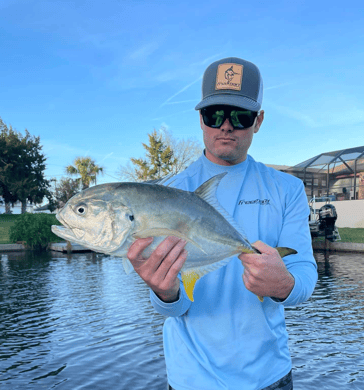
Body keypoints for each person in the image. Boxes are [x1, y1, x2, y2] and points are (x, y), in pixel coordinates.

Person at [127, 57, 318, 390]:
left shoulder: (288, 188)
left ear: (258, 121)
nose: (225, 126)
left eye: (240, 115)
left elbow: (304, 274)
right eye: (214, 115)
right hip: (191, 380)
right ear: (200, 120)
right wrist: (164, 290)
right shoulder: (167, 193)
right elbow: (175, 308)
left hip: (270, 377)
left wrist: (283, 284)